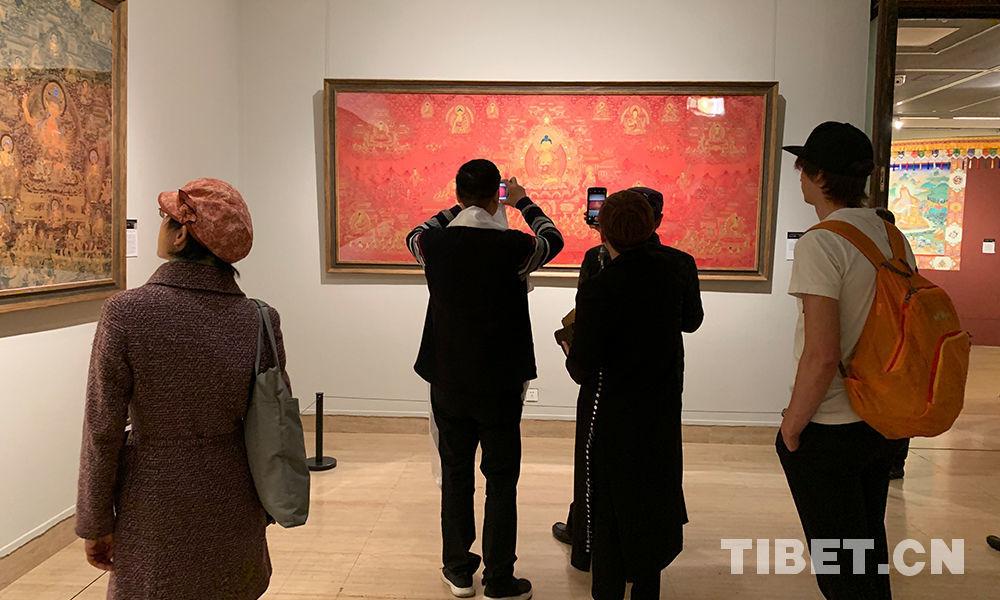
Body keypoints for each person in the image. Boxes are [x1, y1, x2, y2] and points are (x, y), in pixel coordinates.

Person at [76, 178, 286, 599]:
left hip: (154, 500)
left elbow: (103, 428)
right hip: (234, 495)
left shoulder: (126, 313)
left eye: (164, 217)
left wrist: (95, 520)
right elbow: (271, 421)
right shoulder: (259, 318)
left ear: (181, 234)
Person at [406, 159, 564, 600]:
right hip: (501, 380)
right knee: (502, 478)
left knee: (456, 473)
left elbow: (415, 232)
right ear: (497, 195)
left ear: (458, 195)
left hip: (449, 376)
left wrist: (456, 208)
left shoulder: (434, 244)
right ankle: (499, 577)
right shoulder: (516, 247)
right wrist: (522, 202)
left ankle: (458, 570)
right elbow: (553, 238)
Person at [779, 122, 917, 599]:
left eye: (802, 167)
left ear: (819, 176)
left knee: (840, 569)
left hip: (832, 423)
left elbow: (822, 354)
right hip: (880, 416)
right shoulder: (892, 236)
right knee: (867, 548)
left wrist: (792, 427)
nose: (798, 176)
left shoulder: (822, 241)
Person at [552, 186, 703, 574]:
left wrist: (573, 349)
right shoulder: (679, 265)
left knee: (602, 475)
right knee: (656, 469)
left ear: (604, 229)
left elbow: (583, 358)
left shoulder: (599, 269)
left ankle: (594, 548)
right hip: (661, 385)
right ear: (655, 222)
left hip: (609, 392)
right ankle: (649, 557)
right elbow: (691, 321)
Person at [874, 207, 911, 481]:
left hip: (887, 339)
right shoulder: (902, 250)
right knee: (898, 403)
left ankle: (892, 460)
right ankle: (895, 461)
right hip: (902, 336)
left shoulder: (885, 253)